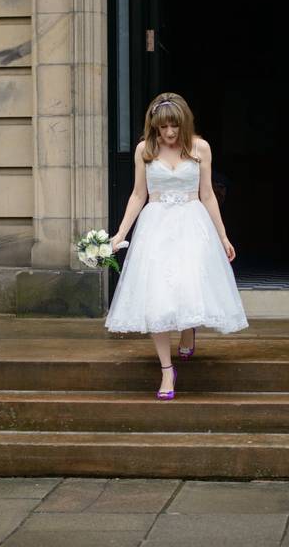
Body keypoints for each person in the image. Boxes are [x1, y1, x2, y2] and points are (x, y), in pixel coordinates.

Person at [105, 92, 248, 400]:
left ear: (183, 123)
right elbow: (137, 195)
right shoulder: (145, 149)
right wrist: (119, 234)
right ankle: (167, 370)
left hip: (192, 221)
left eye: (173, 126)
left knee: (187, 283)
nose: (168, 133)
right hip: (155, 225)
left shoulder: (200, 148)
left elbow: (207, 194)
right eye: (161, 128)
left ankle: (187, 328)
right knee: (157, 295)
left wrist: (223, 236)